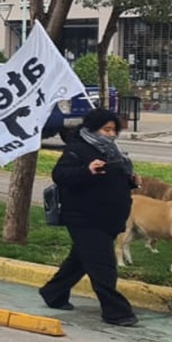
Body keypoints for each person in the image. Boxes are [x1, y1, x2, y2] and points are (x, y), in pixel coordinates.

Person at [39, 109, 141, 326]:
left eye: (114, 130)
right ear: (93, 129)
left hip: (109, 217)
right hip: (84, 217)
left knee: (80, 260)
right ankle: (116, 311)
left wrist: (131, 181)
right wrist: (87, 170)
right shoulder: (77, 149)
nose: (111, 134)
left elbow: (115, 177)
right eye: (106, 129)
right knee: (103, 264)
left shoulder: (113, 151)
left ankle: (53, 292)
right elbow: (60, 175)